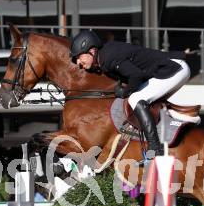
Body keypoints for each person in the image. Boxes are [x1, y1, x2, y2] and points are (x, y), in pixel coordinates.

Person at [70, 30, 190, 160]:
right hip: (172, 67)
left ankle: (155, 148)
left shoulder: (108, 58)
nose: (78, 63)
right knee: (142, 98)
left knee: (136, 98)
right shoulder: (104, 57)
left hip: (175, 68)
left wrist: (125, 91)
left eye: (78, 57)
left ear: (92, 51)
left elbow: (136, 75)